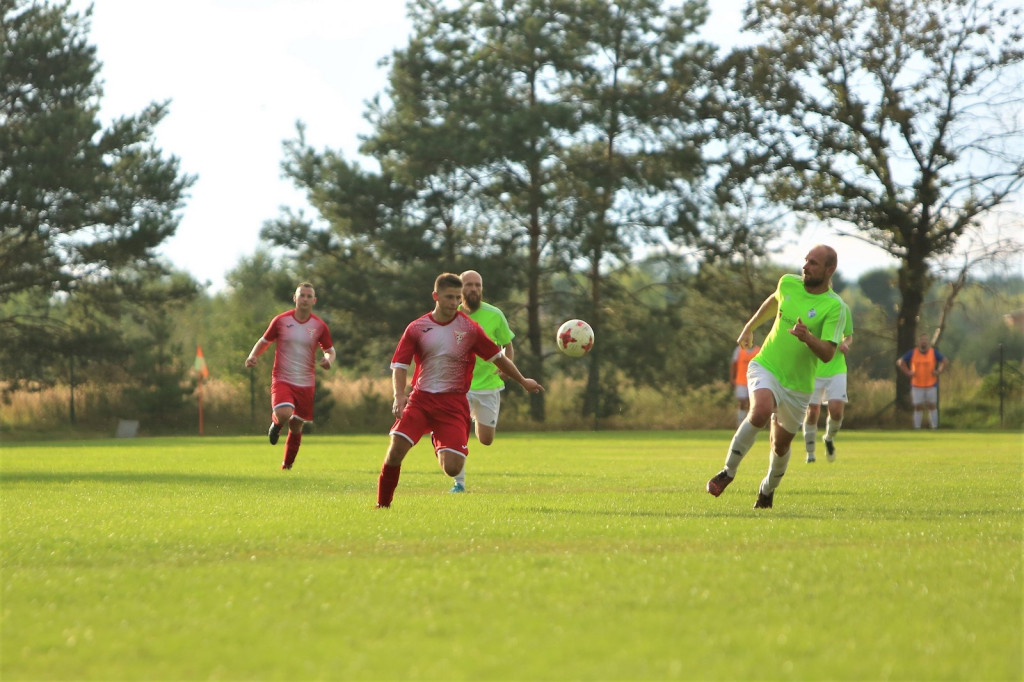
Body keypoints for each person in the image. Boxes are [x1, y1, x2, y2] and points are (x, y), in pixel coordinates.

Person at [376, 273, 544, 508]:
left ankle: (438, 436)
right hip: (420, 400)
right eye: (449, 297)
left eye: (458, 298)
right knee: (395, 451)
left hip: (453, 405)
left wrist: (523, 380)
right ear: (435, 296)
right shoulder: (417, 328)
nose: (454, 303)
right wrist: (399, 395)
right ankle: (382, 505)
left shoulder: (470, 329)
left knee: (452, 468)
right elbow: (400, 366)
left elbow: (498, 358)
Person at [706, 245, 849, 509]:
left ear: (830, 270)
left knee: (780, 446)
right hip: (766, 365)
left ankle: (767, 489)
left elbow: (828, 354)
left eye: (813, 263)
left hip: (798, 386)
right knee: (759, 411)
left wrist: (807, 338)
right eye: (806, 260)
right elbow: (774, 300)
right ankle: (728, 471)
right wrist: (749, 327)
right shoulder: (788, 283)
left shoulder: (834, 307)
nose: (805, 266)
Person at [244, 282, 335, 470]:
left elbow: (330, 350)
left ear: (314, 301)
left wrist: (328, 360)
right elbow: (264, 341)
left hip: (306, 383)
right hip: (282, 378)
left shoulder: (319, 326)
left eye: (309, 296)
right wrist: (253, 355)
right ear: (295, 298)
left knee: (296, 425)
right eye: (302, 295)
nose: (305, 299)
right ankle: (277, 424)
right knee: (285, 413)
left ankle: (287, 466)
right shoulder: (281, 321)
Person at [448, 269, 516, 493]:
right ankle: (459, 482)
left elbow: (508, 345)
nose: (474, 289)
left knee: (486, 440)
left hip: (488, 387)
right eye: (469, 285)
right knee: (459, 435)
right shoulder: (450, 314)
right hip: (460, 386)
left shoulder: (495, 314)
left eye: (478, 285)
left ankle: (475, 421)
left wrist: (506, 367)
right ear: (460, 289)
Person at [803, 297, 853, 463]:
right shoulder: (808, 307)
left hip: (836, 369)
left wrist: (846, 343)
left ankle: (829, 438)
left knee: (837, 411)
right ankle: (810, 453)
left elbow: (849, 335)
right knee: (812, 411)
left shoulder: (841, 307)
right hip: (814, 368)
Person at [897, 333, 948, 429]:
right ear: (918, 342)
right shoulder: (913, 353)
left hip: (931, 384)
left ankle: (934, 427)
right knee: (918, 406)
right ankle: (917, 427)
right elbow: (900, 362)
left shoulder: (933, 352)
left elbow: (945, 361)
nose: (923, 342)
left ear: (928, 342)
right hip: (917, 384)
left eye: (925, 340)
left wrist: (938, 371)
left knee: (932, 405)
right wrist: (908, 372)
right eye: (921, 340)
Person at [731, 342, 760, 426]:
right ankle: (740, 422)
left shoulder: (758, 351)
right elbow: (733, 364)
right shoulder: (739, 350)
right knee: (742, 402)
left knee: (751, 403)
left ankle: (749, 423)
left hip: (754, 381)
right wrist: (732, 378)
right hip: (741, 381)